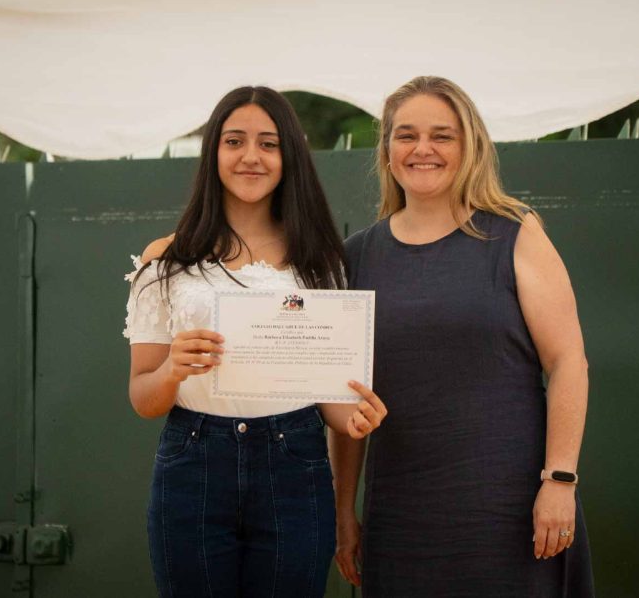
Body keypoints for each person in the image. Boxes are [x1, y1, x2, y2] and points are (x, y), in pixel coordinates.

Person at [329, 76, 594, 597]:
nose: (422, 149)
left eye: (442, 135)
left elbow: (568, 361)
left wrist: (559, 480)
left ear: (469, 146)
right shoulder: (357, 256)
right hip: (399, 518)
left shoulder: (515, 233)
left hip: (512, 511)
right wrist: (344, 512)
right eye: (406, 135)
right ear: (387, 152)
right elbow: (346, 398)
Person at [123, 86, 387, 598]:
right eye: (234, 141)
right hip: (192, 464)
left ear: (290, 157)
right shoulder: (167, 260)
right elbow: (143, 398)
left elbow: (334, 404)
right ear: (212, 153)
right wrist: (173, 369)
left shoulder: (323, 262)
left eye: (268, 143)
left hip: (296, 466)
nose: (251, 156)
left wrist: (356, 418)